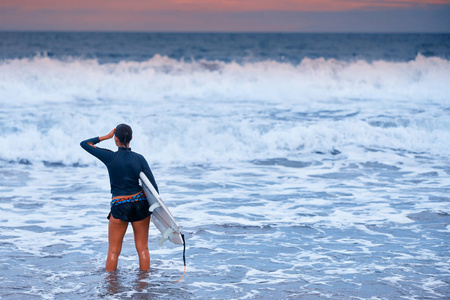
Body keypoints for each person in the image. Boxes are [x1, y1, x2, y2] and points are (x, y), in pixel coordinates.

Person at [80, 124, 159, 272]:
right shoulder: (139, 158)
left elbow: (84, 144)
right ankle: (144, 286)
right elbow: (153, 188)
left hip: (120, 205)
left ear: (116, 139)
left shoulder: (110, 157)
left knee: (113, 251)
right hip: (140, 204)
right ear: (131, 138)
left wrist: (106, 137)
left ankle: (111, 288)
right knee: (143, 249)